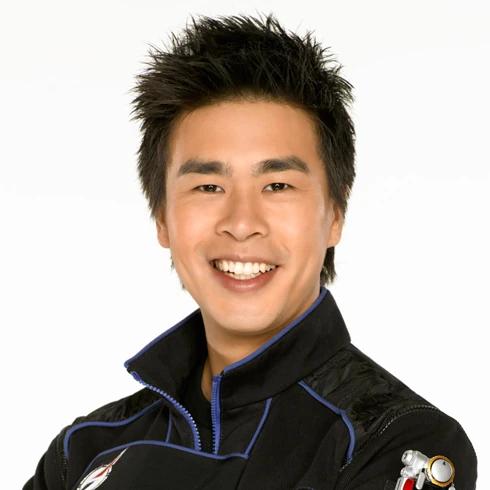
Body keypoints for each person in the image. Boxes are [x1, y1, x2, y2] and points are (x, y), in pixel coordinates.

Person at [23, 13, 477, 490]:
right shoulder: (83, 452)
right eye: (208, 186)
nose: (241, 224)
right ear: (162, 218)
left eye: (277, 185)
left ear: (335, 214)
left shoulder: (400, 443)